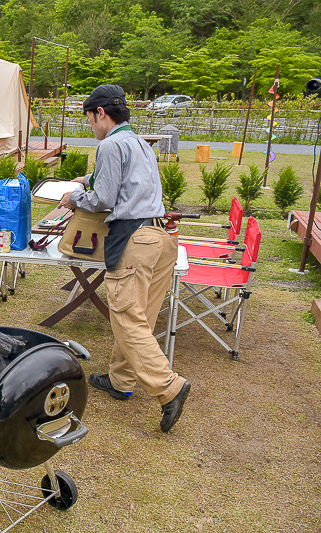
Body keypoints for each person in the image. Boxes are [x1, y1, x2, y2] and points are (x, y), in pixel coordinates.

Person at [58, 84, 191, 433]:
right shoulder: (139, 143)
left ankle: (169, 387)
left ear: (101, 113)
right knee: (140, 317)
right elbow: (126, 181)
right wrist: (85, 177)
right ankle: (120, 381)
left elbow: (102, 197)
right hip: (161, 238)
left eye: (89, 118)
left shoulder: (110, 144)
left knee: (127, 318)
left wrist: (75, 197)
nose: (90, 126)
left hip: (135, 240)